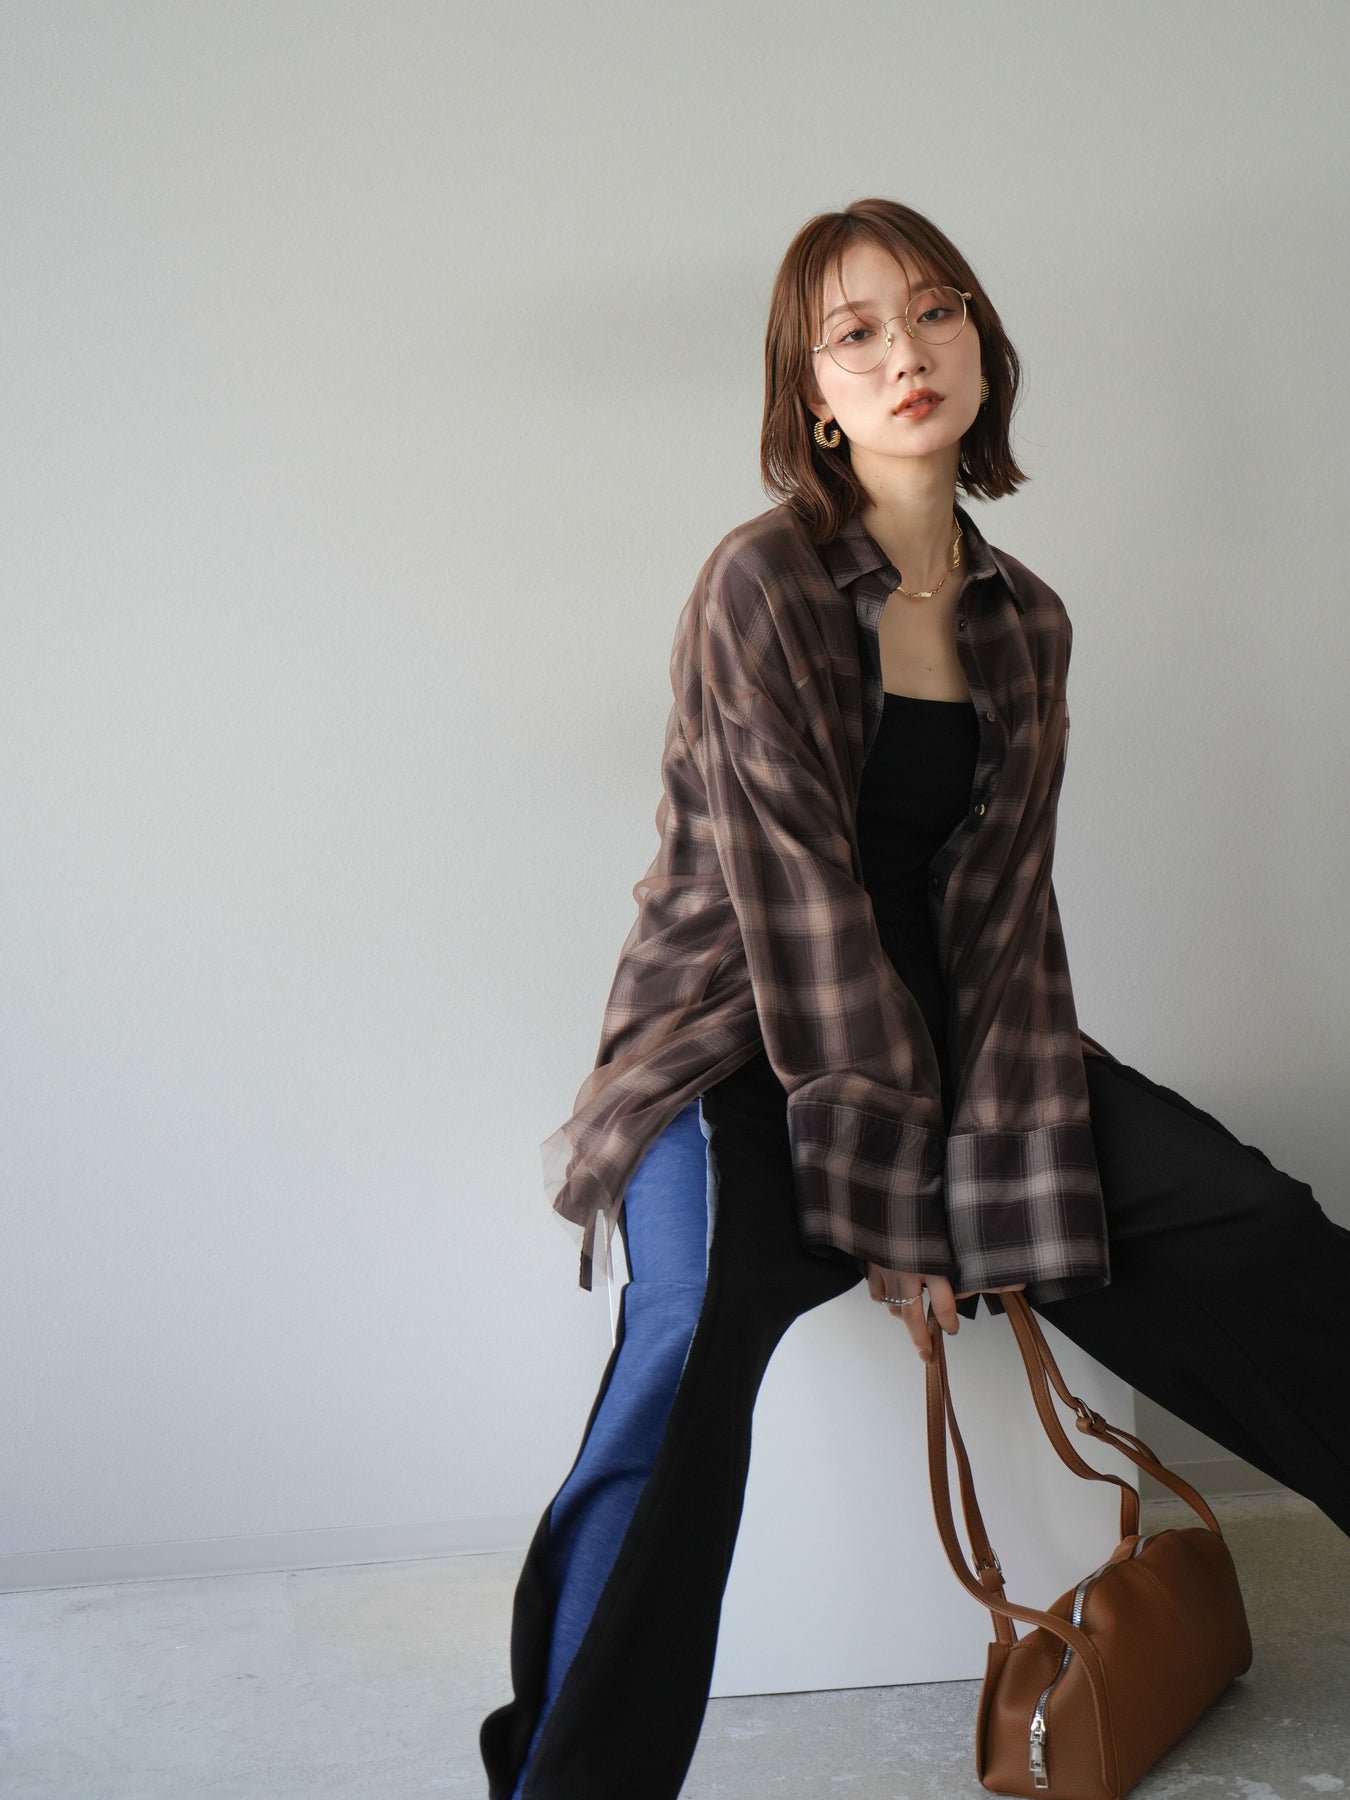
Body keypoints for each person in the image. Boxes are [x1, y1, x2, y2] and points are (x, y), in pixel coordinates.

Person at [480, 198, 1350, 1800]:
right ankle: (570, 1778)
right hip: (733, 1039)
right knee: (685, 1348)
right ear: (813, 396)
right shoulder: (759, 583)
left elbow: (1004, 921)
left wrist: (990, 1145)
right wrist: (893, 1202)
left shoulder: (1027, 619)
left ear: (981, 347)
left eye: (935, 312)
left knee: (1253, 1225)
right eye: (856, 332)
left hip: (952, 1046)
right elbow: (796, 901)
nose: (905, 353)